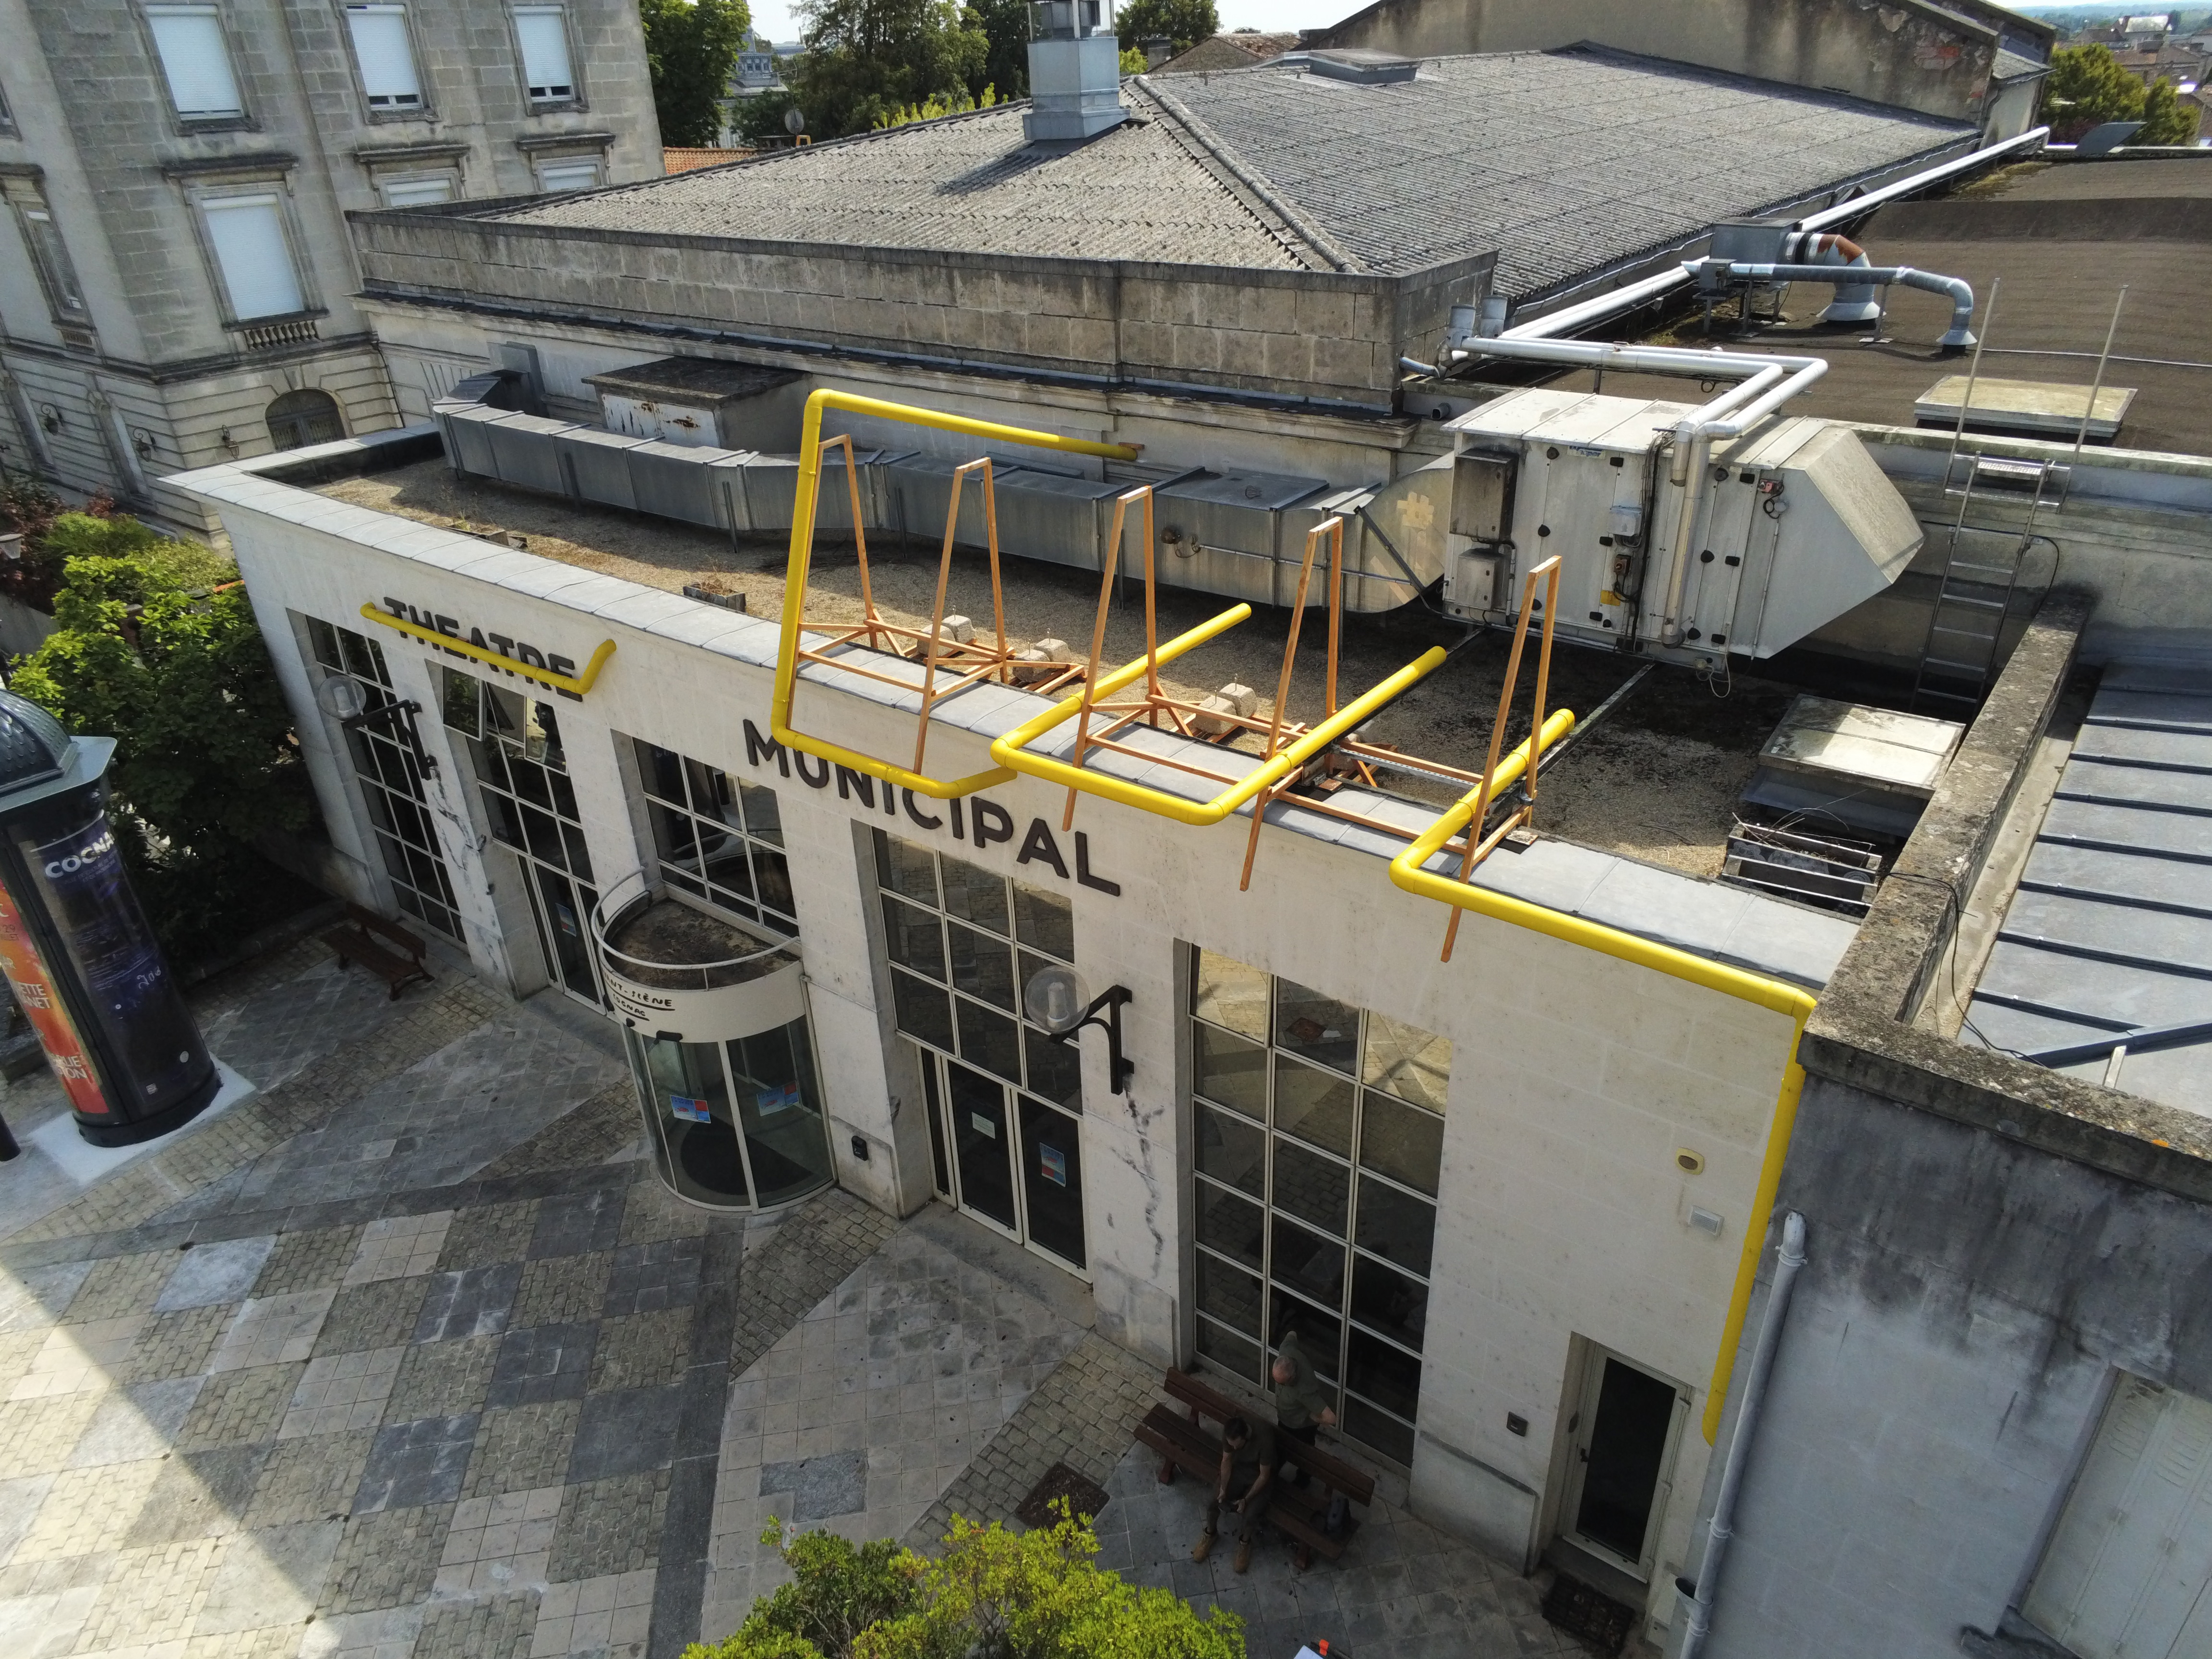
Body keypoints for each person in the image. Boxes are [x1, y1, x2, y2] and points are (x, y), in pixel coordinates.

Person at [1192, 1414, 1274, 1573]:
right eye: (1232, 1445)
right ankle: (1210, 1533)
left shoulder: (1265, 1440)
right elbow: (1227, 1461)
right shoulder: (1230, 1433)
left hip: (1259, 1475)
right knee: (1214, 1498)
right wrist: (1223, 1488)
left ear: (1246, 1437)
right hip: (1239, 1469)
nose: (1234, 1449)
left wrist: (1246, 1499)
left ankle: (1245, 1544)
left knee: (1251, 1513)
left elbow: (1264, 1475)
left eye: (1238, 1446)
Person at [1272, 1331, 1336, 1486]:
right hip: (1285, 1419)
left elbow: (1331, 1418)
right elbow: (1292, 1333)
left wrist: (1313, 1418)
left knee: (1305, 1454)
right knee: (1280, 1447)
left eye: (1282, 1384)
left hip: (1300, 1427)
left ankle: (1303, 1481)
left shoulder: (1304, 1390)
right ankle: (1273, 1475)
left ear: (1292, 1377)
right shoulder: (1286, 1350)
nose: (1279, 1386)